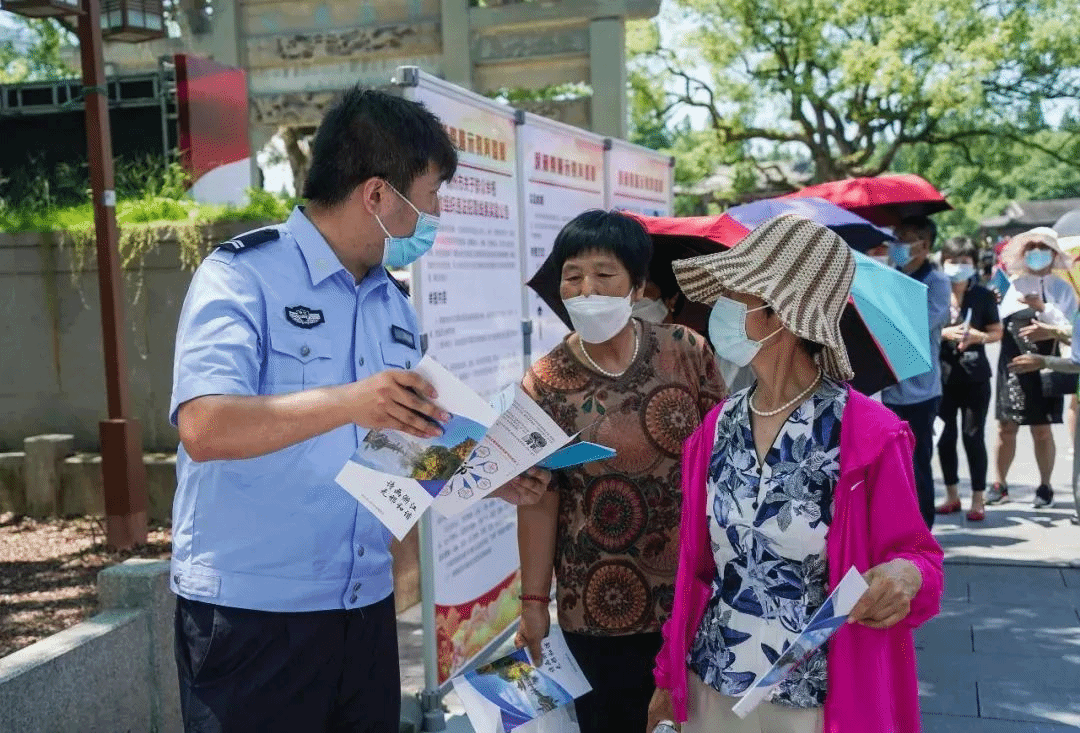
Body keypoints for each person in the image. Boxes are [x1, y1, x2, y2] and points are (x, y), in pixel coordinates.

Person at [169, 87, 549, 733]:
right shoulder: (241, 276)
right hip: (255, 617)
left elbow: (395, 448)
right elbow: (205, 427)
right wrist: (349, 401)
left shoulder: (391, 305)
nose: (435, 215)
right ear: (377, 194)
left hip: (364, 610)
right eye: (429, 197)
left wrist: (484, 477)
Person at [646, 215, 944, 733]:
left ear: (782, 311)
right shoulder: (718, 425)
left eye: (735, 294)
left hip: (817, 696)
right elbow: (695, 570)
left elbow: (919, 555)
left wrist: (907, 574)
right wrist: (666, 676)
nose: (721, 311)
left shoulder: (869, 433)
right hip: (712, 681)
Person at [515, 210, 728, 733]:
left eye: (604, 274)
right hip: (594, 604)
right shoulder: (543, 380)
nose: (587, 288)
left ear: (637, 286)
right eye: (573, 275)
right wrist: (533, 603)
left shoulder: (684, 350)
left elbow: (724, 459)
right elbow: (539, 499)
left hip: (690, 595)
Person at [988, 227, 1078, 508]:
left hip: (1045, 362)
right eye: (1032, 248)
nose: (1037, 254)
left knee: (1042, 427)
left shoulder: (1062, 288)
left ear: (1053, 255)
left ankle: (1045, 486)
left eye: (1043, 248)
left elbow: (1070, 328)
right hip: (1012, 360)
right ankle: (999, 483)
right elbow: (996, 325)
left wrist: (1043, 309)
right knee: (1006, 425)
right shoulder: (1013, 284)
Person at [882, 215, 951, 528]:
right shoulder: (888, 276)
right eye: (895, 237)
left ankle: (924, 531)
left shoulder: (936, 282)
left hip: (922, 389)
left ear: (923, 245)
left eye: (904, 238)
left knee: (918, 461)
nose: (897, 244)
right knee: (895, 465)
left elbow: (918, 326)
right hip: (891, 386)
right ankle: (900, 527)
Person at [936, 237, 1003, 521]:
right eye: (953, 262)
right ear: (943, 263)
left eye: (965, 262)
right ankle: (952, 495)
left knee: (973, 437)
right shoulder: (933, 292)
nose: (959, 268)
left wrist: (980, 337)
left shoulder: (984, 295)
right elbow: (921, 328)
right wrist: (943, 334)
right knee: (945, 437)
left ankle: (978, 498)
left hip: (975, 376)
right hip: (942, 376)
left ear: (974, 265)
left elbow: (997, 331)